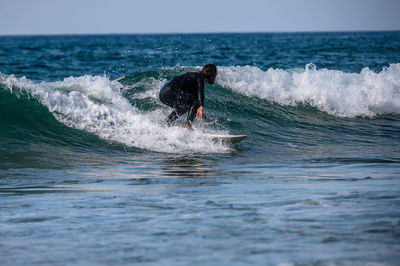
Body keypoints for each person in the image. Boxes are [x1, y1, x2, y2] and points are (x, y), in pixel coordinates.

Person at [159, 64, 217, 131]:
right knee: (195, 101)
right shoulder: (200, 77)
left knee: (185, 106)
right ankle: (188, 125)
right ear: (211, 74)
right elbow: (200, 93)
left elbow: (193, 106)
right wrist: (201, 105)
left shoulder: (195, 77)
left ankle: (167, 121)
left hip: (163, 93)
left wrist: (204, 117)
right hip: (170, 92)